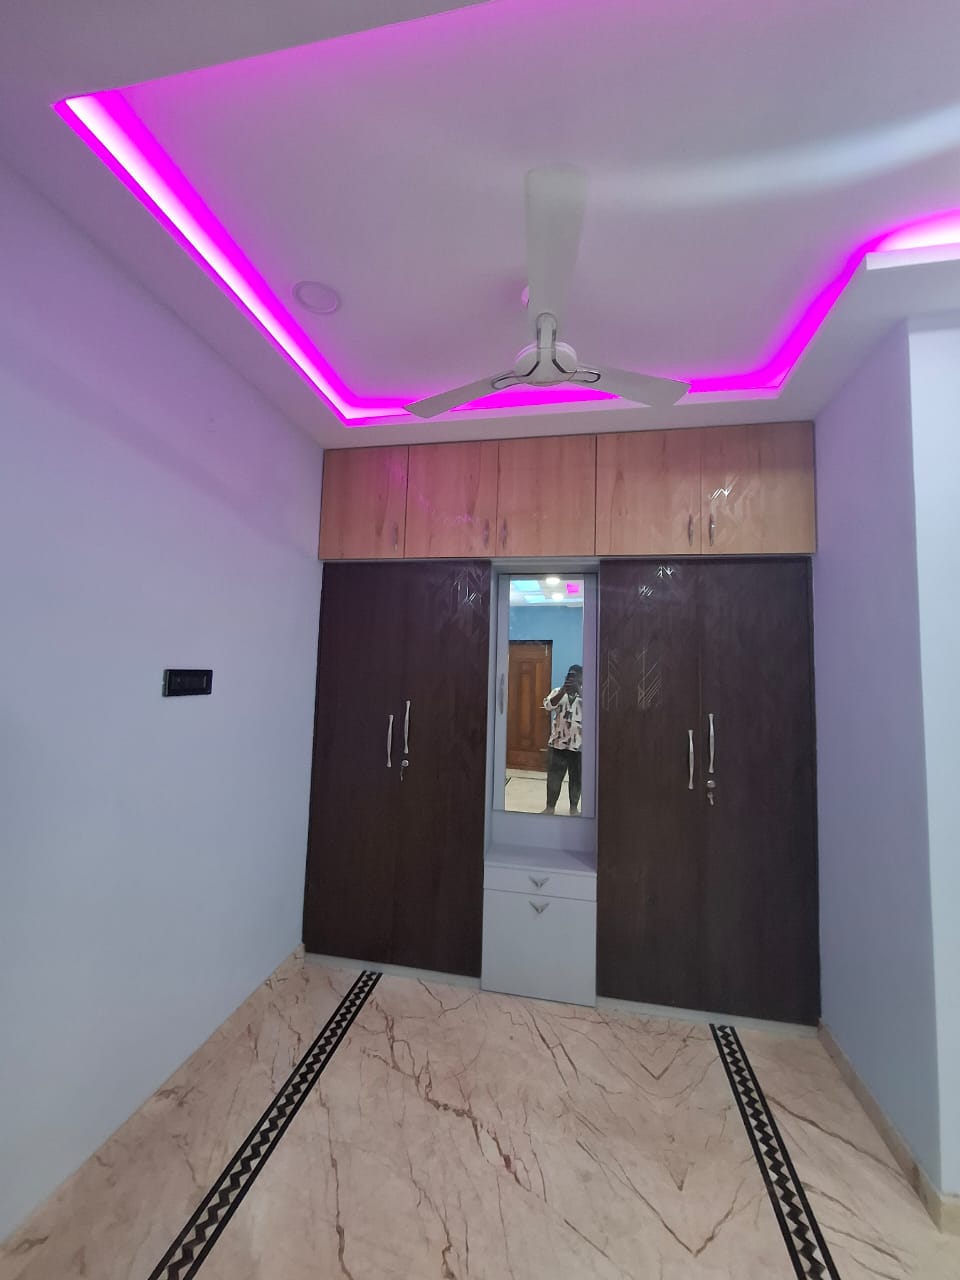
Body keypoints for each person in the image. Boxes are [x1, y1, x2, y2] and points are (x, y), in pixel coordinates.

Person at [542, 664, 583, 814]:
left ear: (581, 679)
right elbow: (548, 705)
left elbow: (594, 709)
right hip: (557, 744)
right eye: (569, 676)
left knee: (576, 779)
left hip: (579, 746)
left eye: (575, 676)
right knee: (554, 778)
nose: (571, 679)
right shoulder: (557, 691)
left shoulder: (587, 694)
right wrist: (562, 691)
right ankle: (550, 808)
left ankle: (574, 808)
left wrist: (579, 690)